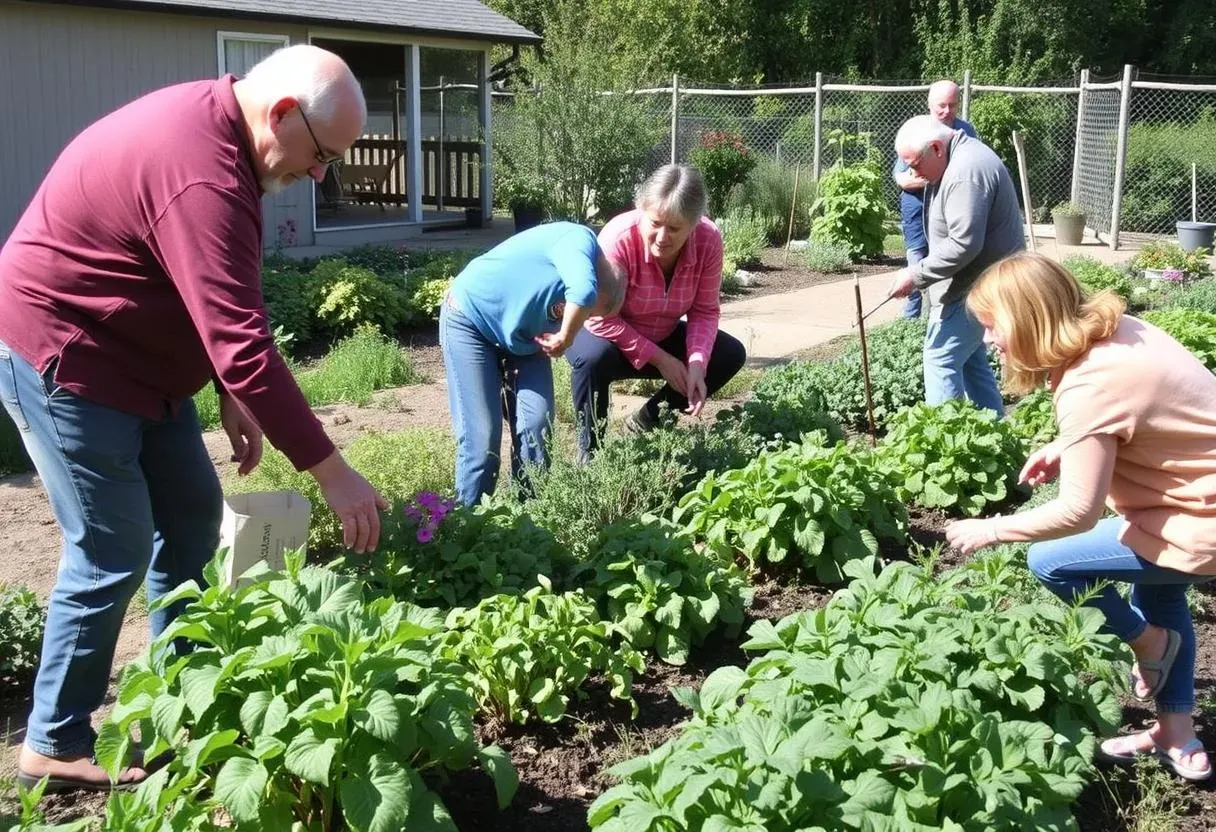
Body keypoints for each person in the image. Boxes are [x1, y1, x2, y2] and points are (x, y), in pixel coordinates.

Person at [0, 45, 389, 792]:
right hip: (69, 359)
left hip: (142, 365)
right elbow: (243, 342)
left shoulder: (227, 143)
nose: (320, 176)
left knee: (190, 523)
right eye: (322, 156)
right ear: (282, 113)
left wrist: (228, 388)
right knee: (110, 549)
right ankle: (53, 741)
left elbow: (214, 293)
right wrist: (333, 473)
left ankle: (183, 705)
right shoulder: (203, 168)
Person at [946, 252, 1216, 782]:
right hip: (1189, 503)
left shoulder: (1090, 385)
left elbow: (1077, 512)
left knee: (1051, 561)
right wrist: (1068, 444)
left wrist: (991, 529)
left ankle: (1150, 644)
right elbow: (1143, 414)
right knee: (1161, 597)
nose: (989, 340)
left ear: (1028, 318)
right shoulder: (1121, 333)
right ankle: (1176, 734)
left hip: (1198, 523)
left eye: (993, 325)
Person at [565, 164, 747, 461]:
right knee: (591, 359)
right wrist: (662, 360)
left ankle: (647, 420)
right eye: (656, 223)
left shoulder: (708, 239)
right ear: (642, 210)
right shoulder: (617, 238)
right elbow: (600, 318)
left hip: (663, 332)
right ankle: (591, 454)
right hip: (608, 335)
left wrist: (697, 364)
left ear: (694, 224)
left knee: (728, 354)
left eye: (675, 228)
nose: (663, 237)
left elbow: (704, 311)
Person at [441, 221, 625, 506]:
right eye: (587, 314)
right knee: (482, 436)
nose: (583, 319)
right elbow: (583, 293)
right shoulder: (578, 240)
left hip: (524, 339)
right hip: (471, 320)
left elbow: (580, 301)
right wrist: (566, 337)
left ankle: (529, 514)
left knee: (537, 422)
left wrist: (562, 332)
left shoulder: (587, 288)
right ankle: (468, 520)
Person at [887, 115, 1023, 416]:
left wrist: (916, 274)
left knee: (940, 358)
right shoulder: (958, 159)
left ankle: (944, 436)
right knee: (972, 360)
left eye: (915, 164)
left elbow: (964, 244)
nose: (912, 173)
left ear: (936, 148)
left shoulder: (965, 172)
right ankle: (995, 429)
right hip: (979, 282)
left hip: (977, 286)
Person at [893, 80, 979, 319]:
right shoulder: (916, 130)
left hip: (950, 207)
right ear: (930, 105)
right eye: (942, 105)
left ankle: (943, 312)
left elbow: (970, 173)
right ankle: (911, 318)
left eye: (953, 105)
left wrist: (932, 178)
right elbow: (903, 179)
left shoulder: (965, 132)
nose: (947, 111)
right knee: (916, 257)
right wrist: (938, 178)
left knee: (947, 257)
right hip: (917, 206)